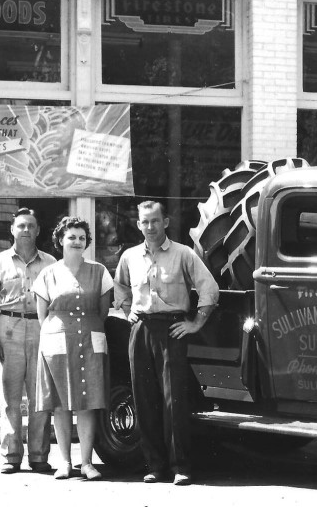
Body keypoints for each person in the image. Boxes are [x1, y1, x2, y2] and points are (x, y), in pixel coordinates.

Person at [113, 201, 219, 486]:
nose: (150, 227)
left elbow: (209, 288)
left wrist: (195, 322)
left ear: (166, 222)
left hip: (172, 330)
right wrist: (127, 311)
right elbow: (120, 287)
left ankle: (180, 466)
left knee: (173, 401)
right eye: (145, 222)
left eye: (155, 221)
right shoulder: (130, 256)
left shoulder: (183, 254)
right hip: (141, 330)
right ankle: (155, 466)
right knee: (144, 401)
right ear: (139, 224)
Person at [32, 217, 113, 480]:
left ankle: (87, 462)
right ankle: (65, 462)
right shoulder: (48, 273)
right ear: (60, 241)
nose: (77, 242)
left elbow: (102, 310)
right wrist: (61, 332)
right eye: (71, 237)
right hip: (58, 340)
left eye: (81, 237)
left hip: (90, 338)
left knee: (88, 403)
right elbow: (42, 316)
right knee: (61, 404)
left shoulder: (99, 271)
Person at [0, 208, 55, 474]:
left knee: (40, 397)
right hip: (7, 328)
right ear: (12, 229)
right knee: (9, 397)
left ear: (37, 231)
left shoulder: (50, 263)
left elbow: (56, 303)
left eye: (30, 226)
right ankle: (11, 455)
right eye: (20, 225)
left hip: (40, 327)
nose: (25, 230)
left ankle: (38, 455)